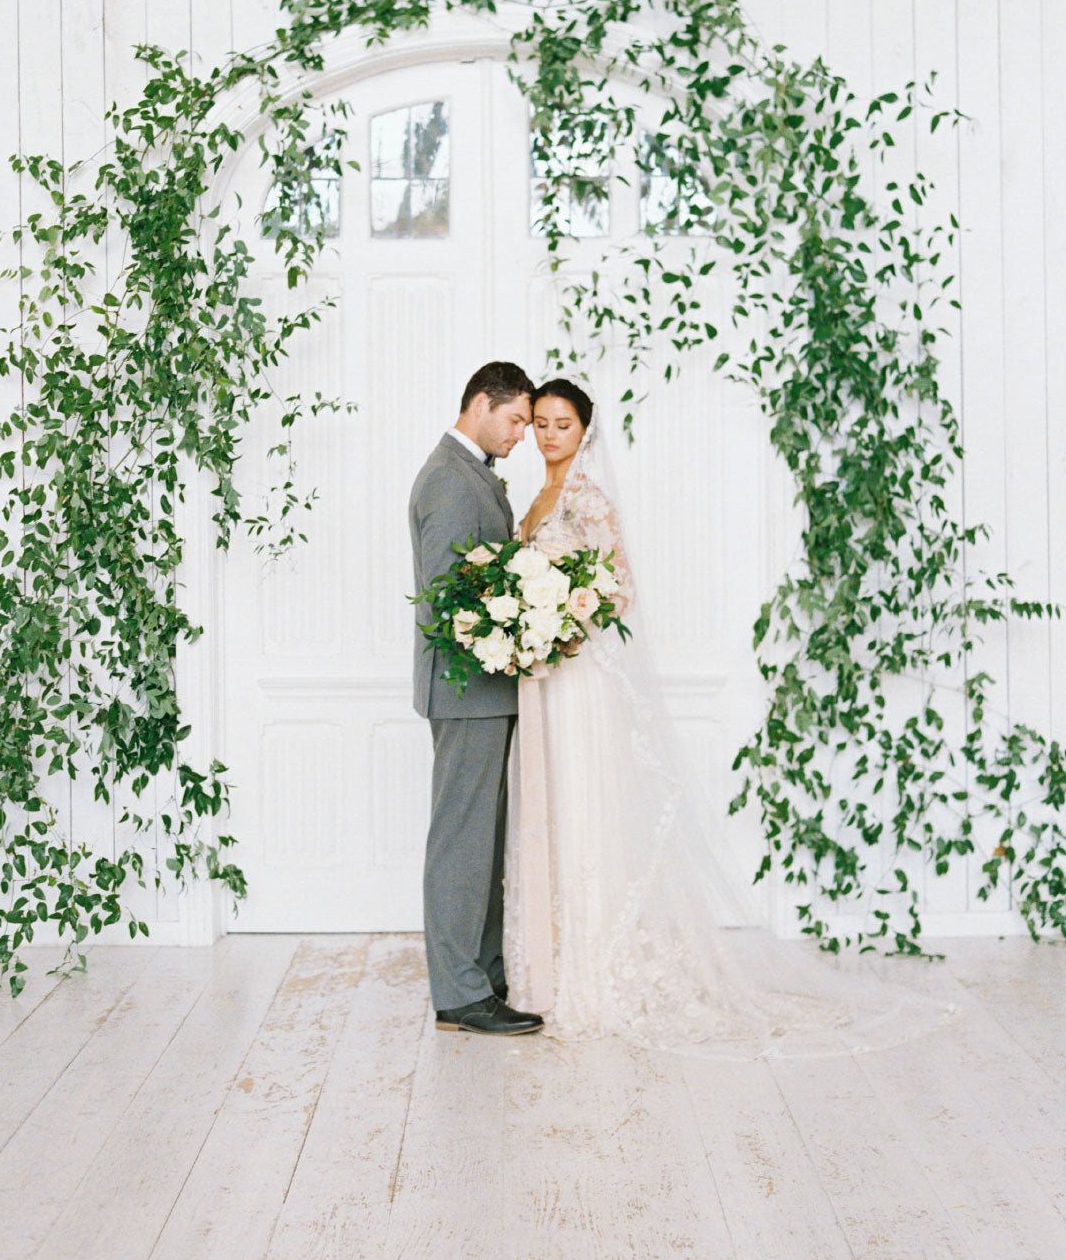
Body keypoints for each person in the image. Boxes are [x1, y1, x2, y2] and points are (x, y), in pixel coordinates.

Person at [502, 377, 959, 1059]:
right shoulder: (536, 496)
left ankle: (591, 967)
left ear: (585, 431)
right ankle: (549, 963)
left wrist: (564, 626)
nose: (546, 434)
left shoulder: (587, 495)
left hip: (579, 677)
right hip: (543, 678)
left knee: (584, 806)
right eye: (539, 422)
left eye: (561, 424)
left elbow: (619, 587)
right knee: (552, 808)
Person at [408, 361, 545, 1037]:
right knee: (461, 839)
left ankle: (483, 977)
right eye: (516, 419)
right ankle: (460, 992)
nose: (522, 434)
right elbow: (442, 598)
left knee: (483, 839)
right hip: (465, 688)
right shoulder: (449, 479)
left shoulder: (472, 474)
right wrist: (515, 625)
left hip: (487, 688)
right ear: (480, 406)